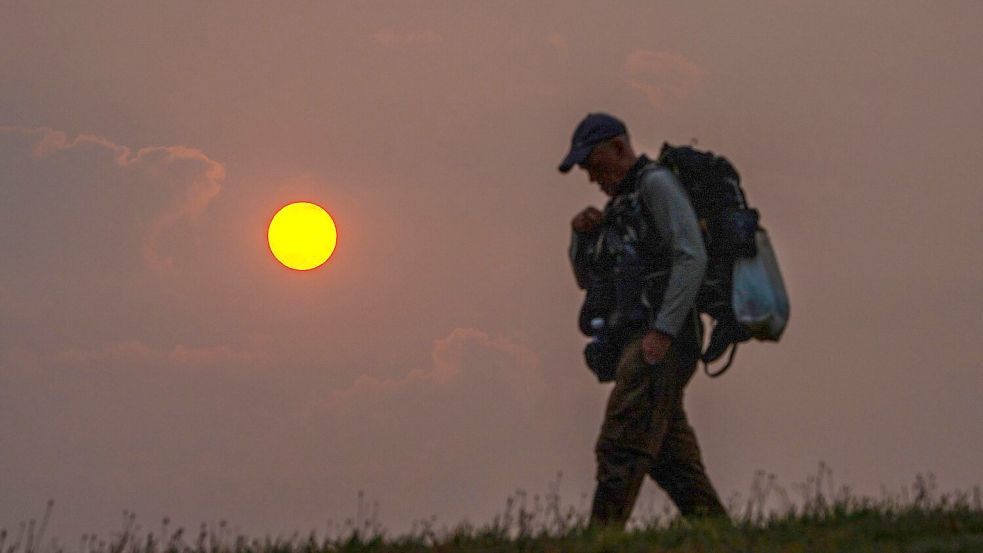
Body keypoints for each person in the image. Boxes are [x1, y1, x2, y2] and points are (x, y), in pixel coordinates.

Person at [559, 113, 728, 527]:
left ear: (619, 148)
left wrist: (663, 330)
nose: (591, 176)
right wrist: (580, 236)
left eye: (594, 164)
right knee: (674, 460)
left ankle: (602, 540)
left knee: (622, 439)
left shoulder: (655, 185)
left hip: (661, 337)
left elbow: (692, 255)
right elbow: (588, 278)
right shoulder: (620, 206)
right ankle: (720, 537)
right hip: (641, 335)